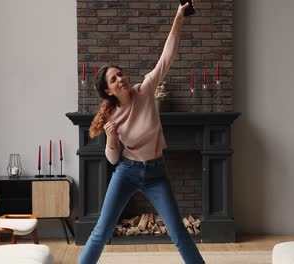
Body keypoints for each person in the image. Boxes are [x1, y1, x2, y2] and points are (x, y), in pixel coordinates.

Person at [78, 2, 205, 264]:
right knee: (101, 232)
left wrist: (178, 17)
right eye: (113, 79)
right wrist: (112, 140)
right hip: (127, 173)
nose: (120, 79)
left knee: (178, 232)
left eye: (120, 74)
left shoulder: (145, 90)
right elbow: (113, 160)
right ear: (109, 91)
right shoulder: (111, 117)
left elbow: (167, 55)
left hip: (156, 172)